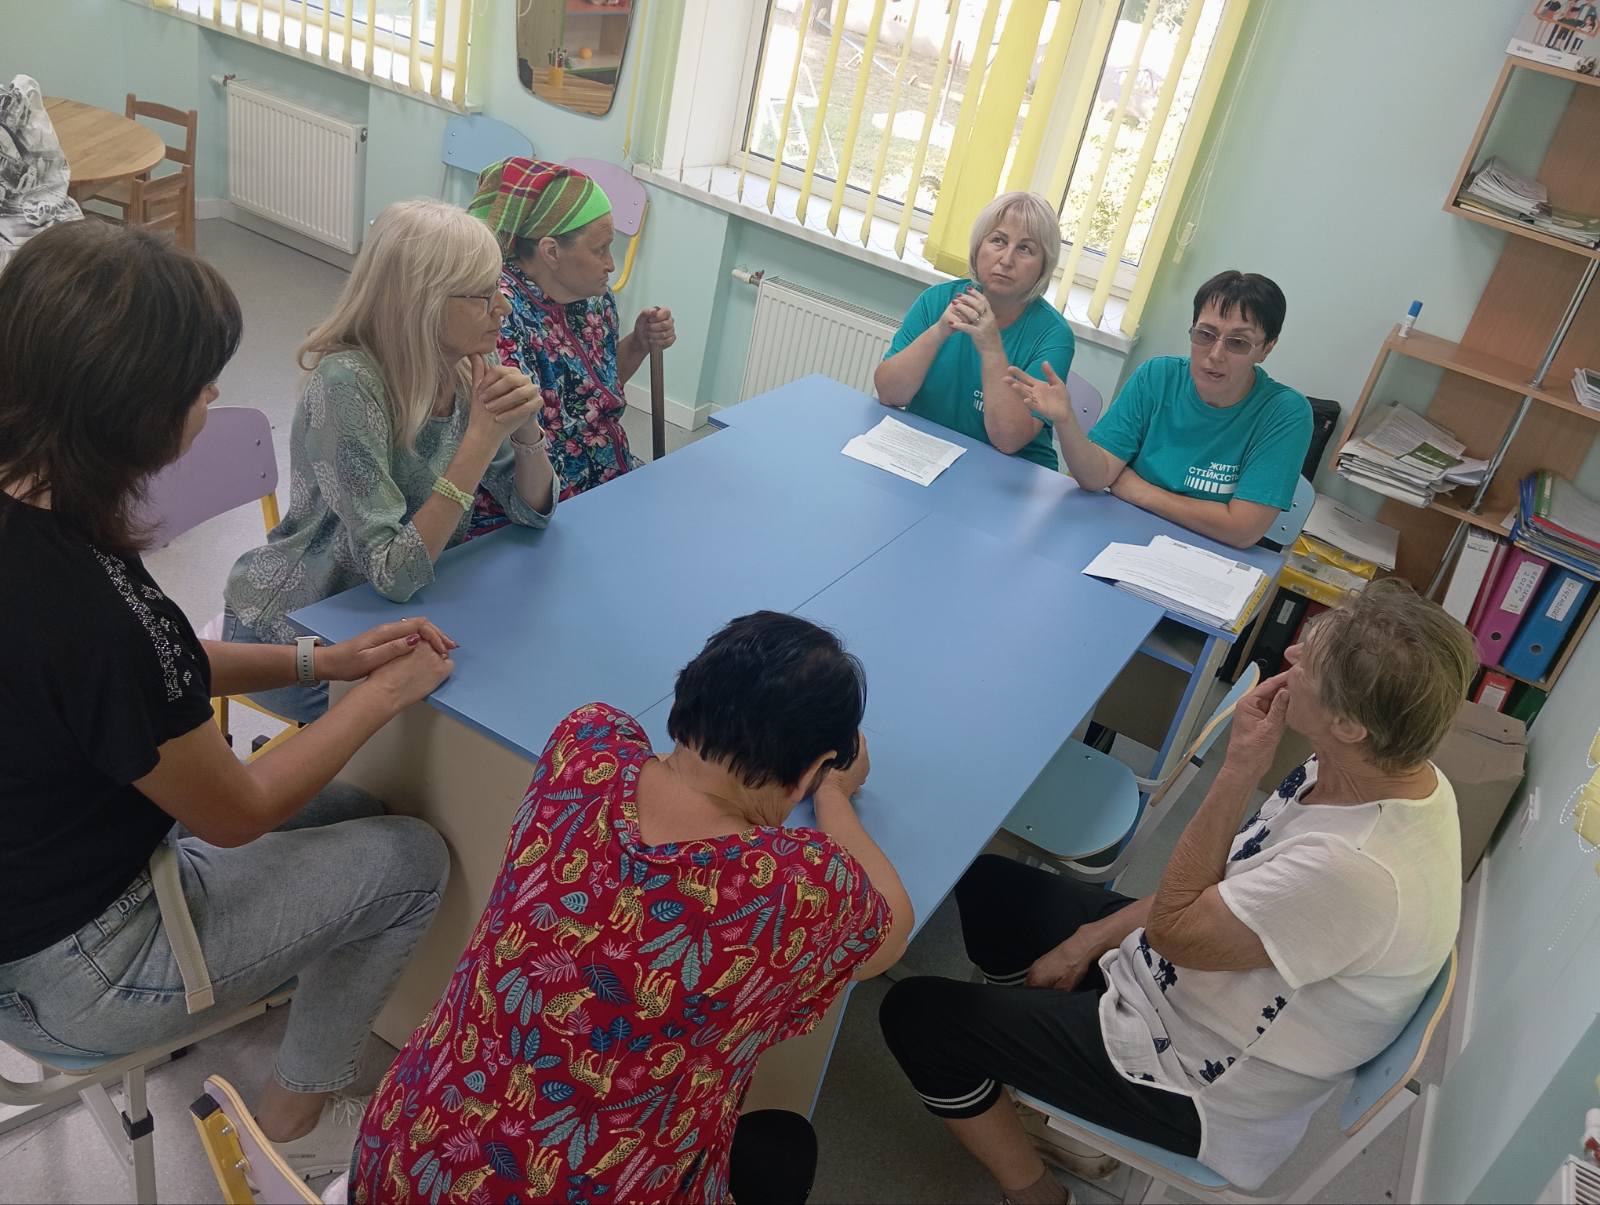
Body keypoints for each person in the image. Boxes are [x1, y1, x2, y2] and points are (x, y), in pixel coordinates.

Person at [0, 221, 458, 1178]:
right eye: (199, 384)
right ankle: (292, 1128)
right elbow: (239, 811)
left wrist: (320, 663)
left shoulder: (39, 502)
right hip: (81, 965)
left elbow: (159, 666)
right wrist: (379, 694)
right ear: (131, 410)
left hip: (43, 891)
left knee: (358, 811)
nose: (214, 397)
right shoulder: (81, 606)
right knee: (412, 857)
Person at [879, 579, 1473, 1202]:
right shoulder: (1384, 771)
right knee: (990, 886)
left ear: (1350, 724)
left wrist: (1239, 768)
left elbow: (1176, 929)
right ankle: (1026, 1063)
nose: (1291, 656)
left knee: (916, 1017)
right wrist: (1088, 938)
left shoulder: (1354, 871)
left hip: (1197, 1081)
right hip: (1187, 979)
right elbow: (1229, 879)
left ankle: (1036, 1192)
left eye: (1310, 662)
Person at [350, 612, 913, 1204]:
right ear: (809, 769)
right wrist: (834, 794)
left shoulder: (584, 743)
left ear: (688, 691)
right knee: (786, 1145)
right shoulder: (800, 887)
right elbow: (892, 929)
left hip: (403, 1156)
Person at [222, 198, 558, 723]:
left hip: (395, 613)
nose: (504, 308)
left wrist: (525, 429)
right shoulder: (348, 384)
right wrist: (478, 440)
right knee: (438, 728)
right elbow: (393, 573)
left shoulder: (466, 364)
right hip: (294, 632)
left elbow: (530, 510)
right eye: (483, 296)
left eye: (500, 289)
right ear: (423, 301)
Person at [1008, 270, 1311, 549]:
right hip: (1118, 539)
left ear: (1266, 348)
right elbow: (1095, 476)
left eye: (1238, 343)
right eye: (1205, 335)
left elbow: (1241, 530)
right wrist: (1066, 421)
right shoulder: (1157, 376)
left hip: (1206, 560)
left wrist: (1137, 490)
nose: (1216, 354)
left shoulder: (1284, 413)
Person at [470, 157, 677, 500]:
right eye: (600, 250)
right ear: (551, 251)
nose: (611, 264)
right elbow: (517, 452)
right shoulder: (500, 316)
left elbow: (595, 394)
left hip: (611, 471)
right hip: (550, 497)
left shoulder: (594, 298)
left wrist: (639, 343)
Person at [875, 191, 1075, 470]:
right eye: (998, 241)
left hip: (1011, 472)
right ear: (978, 247)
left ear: (1043, 267)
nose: (1006, 259)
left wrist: (991, 346)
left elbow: (1009, 440)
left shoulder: (1053, 335)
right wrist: (939, 332)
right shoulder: (936, 300)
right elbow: (888, 393)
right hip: (929, 458)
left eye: (1025, 249)